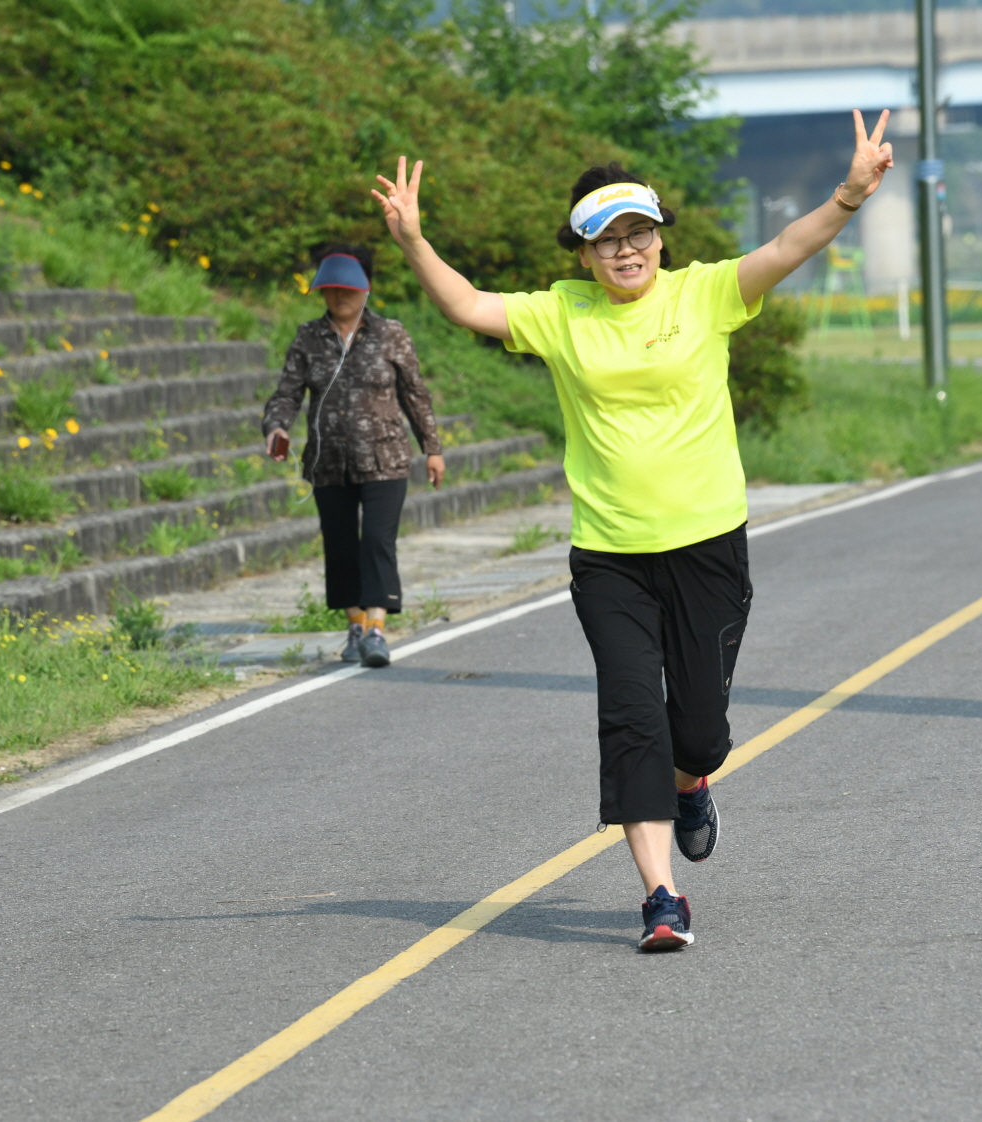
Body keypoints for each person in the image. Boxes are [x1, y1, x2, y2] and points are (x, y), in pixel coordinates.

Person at [373, 111, 896, 950]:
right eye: (605, 240)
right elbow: (466, 304)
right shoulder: (562, 314)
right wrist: (412, 241)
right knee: (630, 719)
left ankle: (692, 784)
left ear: (659, 239)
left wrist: (847, 195)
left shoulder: (704, 295)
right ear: (580, 254)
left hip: (706, 546)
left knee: (697, 732)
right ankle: (661, 896)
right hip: (610, 555)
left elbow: (787, 249)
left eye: (638, 233)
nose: (625, 250)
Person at [262, 244, 447, 669]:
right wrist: (275, 428)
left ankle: (377, 631)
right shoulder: (308, 338)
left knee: (378, 542)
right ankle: (356, 625)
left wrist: (431, 449)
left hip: (386, 459)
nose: (338, 298)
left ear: (365, 289)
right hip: (328, 463)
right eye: (330, 290)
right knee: (341, 546)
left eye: (346, 289)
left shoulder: (391, 334)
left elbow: (415, 395)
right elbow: (286, 394)